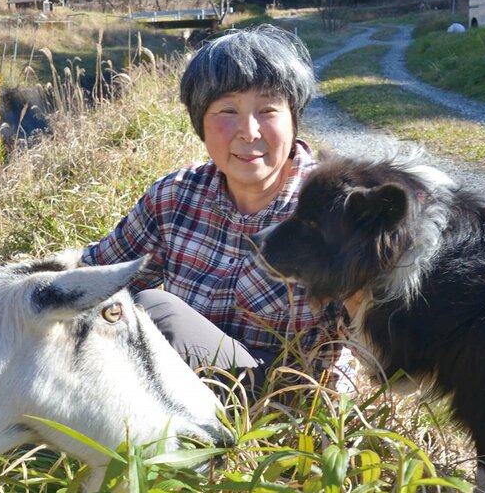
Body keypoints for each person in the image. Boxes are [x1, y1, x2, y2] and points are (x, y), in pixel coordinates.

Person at [79, 24, 344, 391]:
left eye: (267, 109)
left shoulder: (333, 213)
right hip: (177, 392)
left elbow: (363, 342)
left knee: (157, 312)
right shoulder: (176, 197)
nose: (248, 131)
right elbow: (97, 276)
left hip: (283, 400)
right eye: (227, 110)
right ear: (200, 123)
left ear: (294, 118)